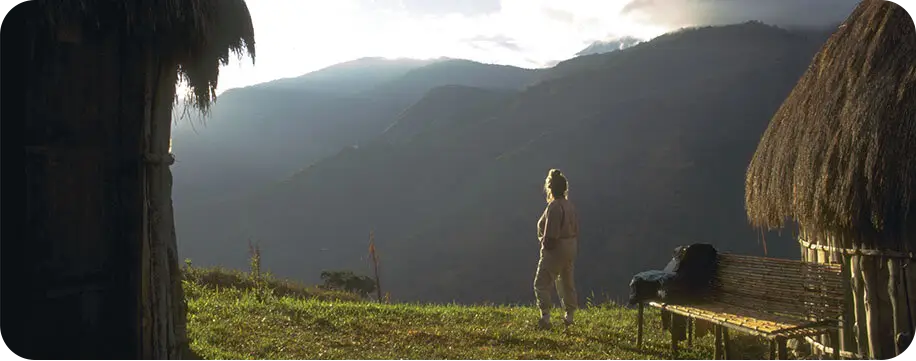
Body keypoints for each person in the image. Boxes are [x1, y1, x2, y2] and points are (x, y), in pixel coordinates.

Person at [534, 169, 580, 329]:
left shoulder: (554, 207)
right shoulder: (569, 206)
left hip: (557, 247)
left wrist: (545, 248)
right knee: (566, 281)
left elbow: (550, 234)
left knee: (542, 283)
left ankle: (545, 316)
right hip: (571, 246)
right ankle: (569, 314)